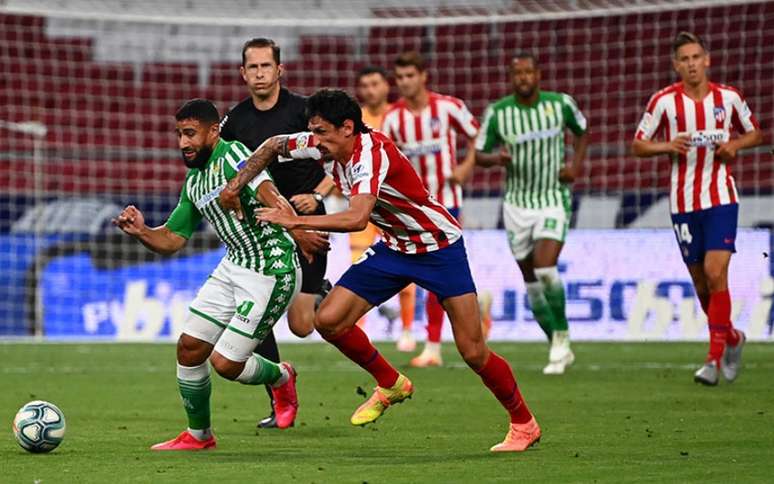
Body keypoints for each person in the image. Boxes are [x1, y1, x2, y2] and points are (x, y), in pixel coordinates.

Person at [219, 88, 541, 452]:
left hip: (439, 246)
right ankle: (391, 383)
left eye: (323, 132)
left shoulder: (371, 154)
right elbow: (273, 145)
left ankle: (523, 424)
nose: (316, 141)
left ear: (347, 128)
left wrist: (295, 221)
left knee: (472, 351)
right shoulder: (320, 143)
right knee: (328, 320)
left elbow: (357, 218)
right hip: (395, 247)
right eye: (313, 131)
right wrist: (234, 187)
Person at [113, 99, 325, 450]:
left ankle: (282, 375)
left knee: (226, 363)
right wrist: (142, 231)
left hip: (272, 267)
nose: (183, 143)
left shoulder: (234, 156)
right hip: (235, 264)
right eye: (179, 134)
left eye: (191, 133)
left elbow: (274, 199)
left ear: (214, 131)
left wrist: (299, 230)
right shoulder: (194, 182)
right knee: (190, 347)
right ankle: (199, 436)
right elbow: (172, 239)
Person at [632, 32, 762, 385]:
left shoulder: (729, 98)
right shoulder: (663, 102)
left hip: (721, 196)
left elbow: (756, 133)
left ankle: (712, 359)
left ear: (707, 59)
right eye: (684, 59)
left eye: (696, 57)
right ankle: (732, 337)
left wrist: (735, 144)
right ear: (676, 65)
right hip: (683, 202)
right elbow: (638, 145)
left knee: (716, 271)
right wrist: (666, 146)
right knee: (703, 285)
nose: (691, 64)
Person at [219, 38, 334, 428]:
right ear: (243, 73)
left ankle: (321, 292)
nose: (260, 74)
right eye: (253, 67)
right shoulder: (234, 121)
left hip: (306, 223)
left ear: (280, 70)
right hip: (264, 231)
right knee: (258, 316)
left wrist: (315, 195)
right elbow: (224, 166)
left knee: (302, 327)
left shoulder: (304, 111)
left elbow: (340, 153)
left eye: (266, 66)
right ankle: (279, 402)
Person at [475, 53, 588, 375]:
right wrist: (498, 158)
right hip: (516, 204)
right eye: (517, 73)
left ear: (539, 74)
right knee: (532, 284)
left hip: (553, 197)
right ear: (512, 78)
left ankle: (562, 336)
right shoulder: (499, 113)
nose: (523, 77)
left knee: (546, 268)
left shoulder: (561, 104)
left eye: (528, 72)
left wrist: (575, 167)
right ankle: (556, 343)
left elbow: (582, 131)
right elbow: (479, 154)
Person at [381, 51, 480, 367]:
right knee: (418, 274)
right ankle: (430, 335)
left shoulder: (449, 107)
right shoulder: (393, 118)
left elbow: (480, 138)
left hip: (446, 203)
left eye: (411, 75)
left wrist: (465, 168)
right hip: (410, 210)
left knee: (437, 275)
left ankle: (433, 346)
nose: (406, 82)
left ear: (423, 75)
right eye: (400, 78)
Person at [354, 65, 416, 351]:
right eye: (365, 85)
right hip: (364, 203)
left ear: (385, 86)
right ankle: (360, 332)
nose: (370, 90)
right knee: (360, 266)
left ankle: (406, 329)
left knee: (406, 264)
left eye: (375, 84)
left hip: (396, 204)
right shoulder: (354, 120)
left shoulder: (399, 116)